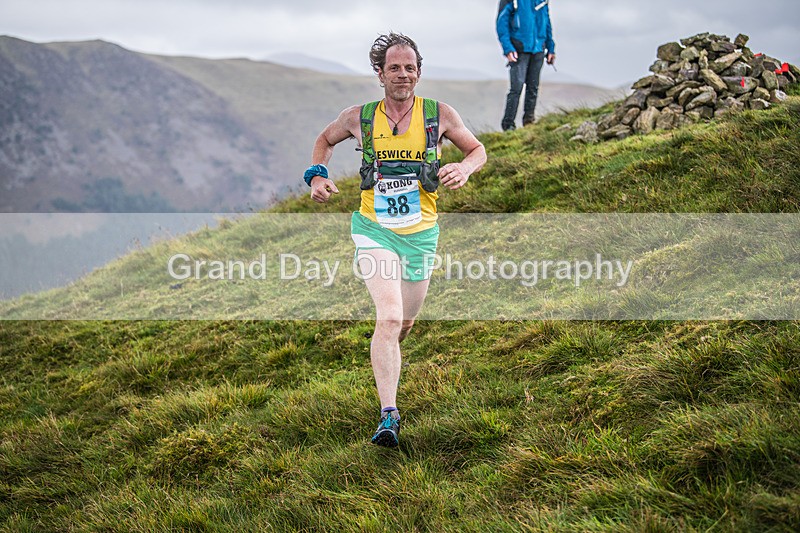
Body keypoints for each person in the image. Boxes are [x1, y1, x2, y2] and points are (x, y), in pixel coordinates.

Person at [304, 32, 486, 448]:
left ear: (418, 72)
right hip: (373, 231)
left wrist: (466, 169)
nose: (402, 75)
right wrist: (317, 174)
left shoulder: (438, 114)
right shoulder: (359, 117)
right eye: (394, 68)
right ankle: (389, 415)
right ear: (380, 74)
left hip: (421, 235)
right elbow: (323, 141)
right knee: (387, 317)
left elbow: (477, 150)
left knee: (403, 324)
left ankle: (387, 354)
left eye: (409, 68)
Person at [496, 0, 556, 131]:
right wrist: (508, 48)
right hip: (518, 50)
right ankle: (508, 125)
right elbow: (501, 23)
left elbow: (546, 21)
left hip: (538, 49)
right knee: (516, 88)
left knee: (533, 87)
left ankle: (529, 122)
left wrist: (551, 47)